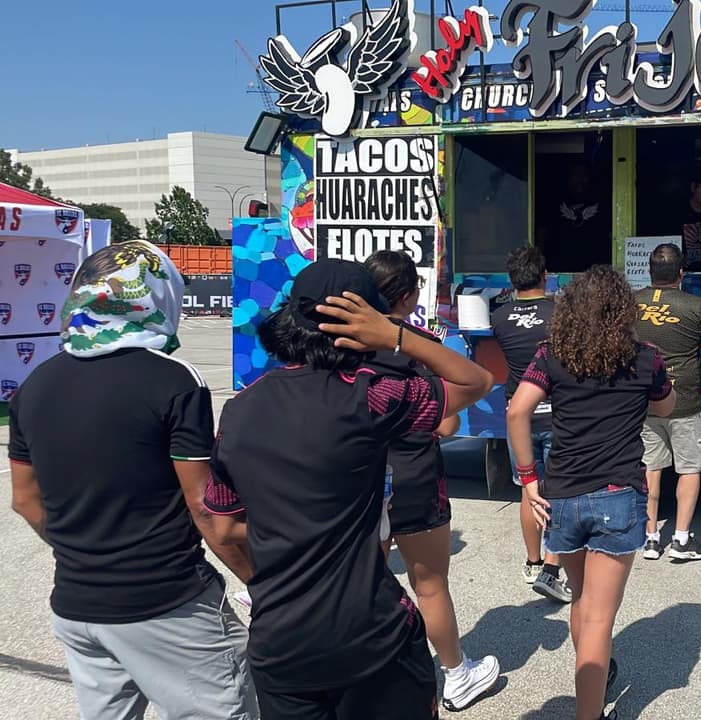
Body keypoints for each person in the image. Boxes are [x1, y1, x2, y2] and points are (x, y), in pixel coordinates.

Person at [202, 259, 493, 720]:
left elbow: (223, 525)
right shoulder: (371, 396)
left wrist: (293, 528)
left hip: (279, 642)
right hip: (371, 637)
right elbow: (476, 381)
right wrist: (396, 336)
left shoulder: (240, 410)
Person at [7, 241, 258, 719]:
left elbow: (25, 499)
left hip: (76, 605)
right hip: (166, 604)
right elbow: (204, 507)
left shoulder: (35, 383)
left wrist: (87, 551)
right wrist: (259, 580)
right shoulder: (174, 380)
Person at [508, 265, 675, 720]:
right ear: (624, 310)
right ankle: (591, 712)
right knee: (600, 617)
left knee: (582, 603)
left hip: (562, 493)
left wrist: (527, 479)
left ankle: (593, 687)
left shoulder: (552, 355)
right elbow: (665, 405)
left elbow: (517, 411)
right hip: (618, 493)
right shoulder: (646, 357)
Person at [363, 250, 501, 711]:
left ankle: (374, 670)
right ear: (407, 296)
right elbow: (444, 425)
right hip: (414, 477)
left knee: (368, 581)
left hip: (359, 481)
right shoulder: (421, 346)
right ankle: (456, 674)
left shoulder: (344, 344)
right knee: (430, 585)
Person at [633, 244, 701, 562]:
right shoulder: (694, 305)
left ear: (649, 272)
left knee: (651, 468)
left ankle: (650, 539)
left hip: (643, 401)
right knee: (689, 469)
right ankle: (680, 540)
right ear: (682, 273)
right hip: (684, 401)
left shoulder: (630, 303)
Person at [490, 246, 572, 603]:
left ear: (512, 280)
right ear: (545, 274)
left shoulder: (499, 317)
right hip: (557, 410)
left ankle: (532, 561)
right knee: (558, 491)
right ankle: (552, 569)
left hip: (517, 412)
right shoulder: (561, 314)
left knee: (529, 488)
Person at [537, 160, 611, 273]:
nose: (581, 180)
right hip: (560, 269)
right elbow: (542, 233)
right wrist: (540, 266)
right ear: (569, 178)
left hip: (595, 272)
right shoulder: (553, 201)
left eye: (584, 175)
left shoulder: (602, 201)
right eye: (576, 175)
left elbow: (612, 234)